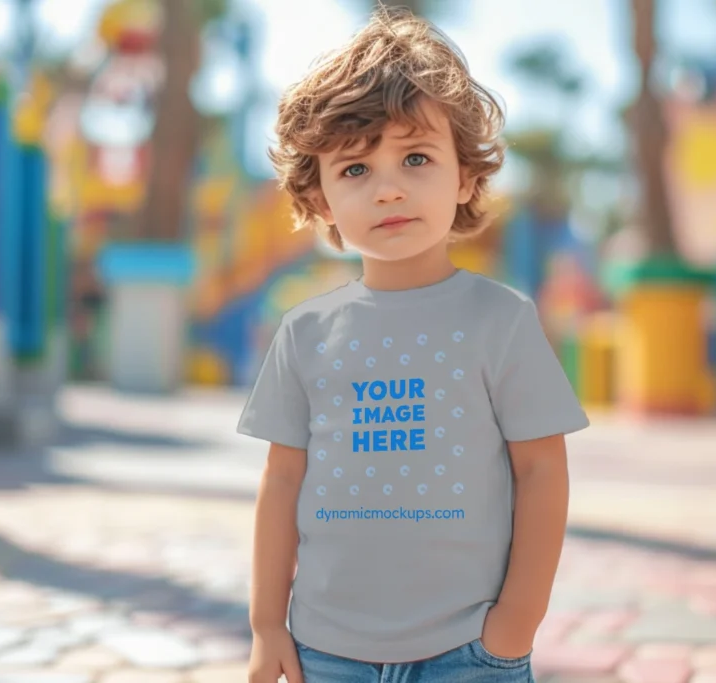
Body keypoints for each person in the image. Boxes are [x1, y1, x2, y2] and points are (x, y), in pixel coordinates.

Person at [237, 7, 589, 682]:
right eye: (355, 170)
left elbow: (542, 471)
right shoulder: (304, 333)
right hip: (325, 649)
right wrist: (265, 624)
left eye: (416, 157)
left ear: (464, 177)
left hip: (471, 649)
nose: (389, 186)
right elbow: (281, 482)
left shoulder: (502, 319)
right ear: (320, 201)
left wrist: (517, 622)